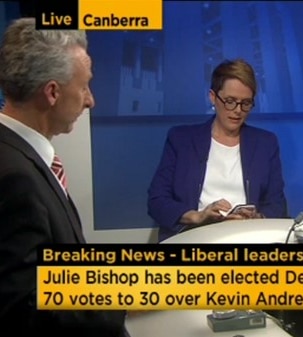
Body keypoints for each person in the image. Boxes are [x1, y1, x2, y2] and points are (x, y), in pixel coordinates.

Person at [0, 18, 126, 336]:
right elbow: (27, 310)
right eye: (84, 86)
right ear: (52, 92)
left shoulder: (19, 156)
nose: (90, 100)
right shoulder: (15, 178)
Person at [148, 58, 288, 241]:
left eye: (246, 103)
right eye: (230, 101)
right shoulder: (182, 139)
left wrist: (257, 218)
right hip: (194, 237)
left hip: (248, 237)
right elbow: (157, 202)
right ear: (213, 97)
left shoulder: (265, 143)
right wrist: (198, 216)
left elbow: (277, 204)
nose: (238, 110)